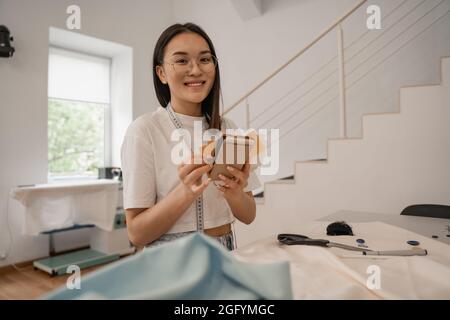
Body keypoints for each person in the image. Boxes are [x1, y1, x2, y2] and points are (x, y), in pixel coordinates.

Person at [120, 23, 261, 251]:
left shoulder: (228, 128)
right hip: (170, 258)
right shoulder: (144, 130)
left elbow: (249, 215)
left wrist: (235, 192)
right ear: (161, 73)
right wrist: (185, 192)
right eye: (182, 60)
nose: (195, 70)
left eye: (205, 59)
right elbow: (136, 233)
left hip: (226, 251)